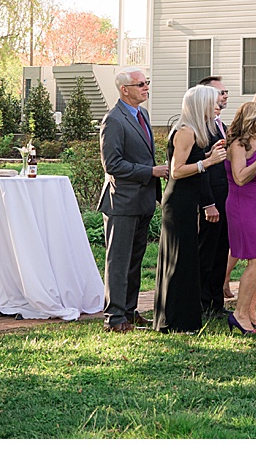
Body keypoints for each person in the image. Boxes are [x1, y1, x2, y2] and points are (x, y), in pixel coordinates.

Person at [97, 67, 168, 333]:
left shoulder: (143, 114)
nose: (145, 88)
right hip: (122, 201)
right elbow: (112, 164)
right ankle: (114, 318)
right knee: (119, 261)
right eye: (140, 84)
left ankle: (129, 310)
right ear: (124, 89)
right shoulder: (113, 119)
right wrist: (150, 171)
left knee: (135, 259)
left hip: (143, 199)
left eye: (147, 83)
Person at [155, 85, 229, 333]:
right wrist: (207, 161)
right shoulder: (185, 131)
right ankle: (173, 320)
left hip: (188, 200)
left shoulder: (196, 131)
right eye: (212, 102)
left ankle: (183, 319)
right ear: (200, 105)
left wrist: (208, 154)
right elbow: (176, 171)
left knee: (187, 261)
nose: (216, 106)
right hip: (179, 202)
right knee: (179, 261)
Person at [221, 99, 256, 333]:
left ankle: (249, 311)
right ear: (252, 119)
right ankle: (239, 313)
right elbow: (240, 177)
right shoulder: (238, 145)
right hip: (244, 206)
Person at [194, 74, 232, 318]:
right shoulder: (199, 127)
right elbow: (201, 167)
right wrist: (208, 203)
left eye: (225, 92)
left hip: (225, 196)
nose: (224, 96)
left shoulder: (221, 124)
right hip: (209, 198)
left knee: (221, 251)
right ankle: (202, 302)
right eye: (220, 92)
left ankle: (216, 302)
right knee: (206, 253)